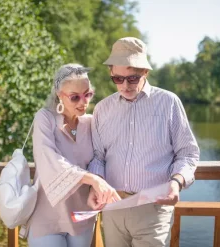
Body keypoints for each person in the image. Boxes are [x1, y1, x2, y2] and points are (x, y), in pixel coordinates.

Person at [87, 37, 200, 247]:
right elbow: (98, 157)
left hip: (154, 208)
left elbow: (187, 153)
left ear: (145, 72)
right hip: (113, 207)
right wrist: (96, 184)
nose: (125, 85)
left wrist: (176, 183)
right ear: (111, 74)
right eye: (118, 79)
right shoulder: (102, 108)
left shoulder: (169, 103)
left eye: (132, 78)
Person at [28, 63, 120, 247]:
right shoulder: (44, 118)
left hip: (82, 217)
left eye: (87, 94)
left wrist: (97, 181)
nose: (83, 102)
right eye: (74, 97)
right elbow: (49, 160)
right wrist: (93, 180)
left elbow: (101, 157)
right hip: (46, 217)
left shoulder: (91, 122)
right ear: (59, 95)